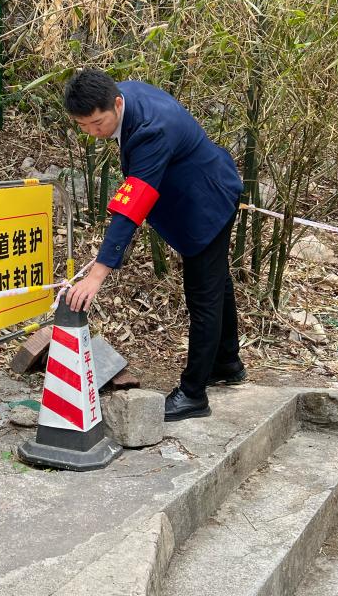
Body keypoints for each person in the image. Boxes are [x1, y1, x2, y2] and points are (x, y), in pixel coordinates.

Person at [63, 69, 245, 422]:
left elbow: (131, 207)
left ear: (117, 104)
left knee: (203, 297)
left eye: (97, 123)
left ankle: (193, 394)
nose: (93, 133)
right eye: (83, 126)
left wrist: (97, 275)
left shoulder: (151, 130)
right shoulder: (121, 95)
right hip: (202, 189)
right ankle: (226, 362)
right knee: (217, 283)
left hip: (207, 204)